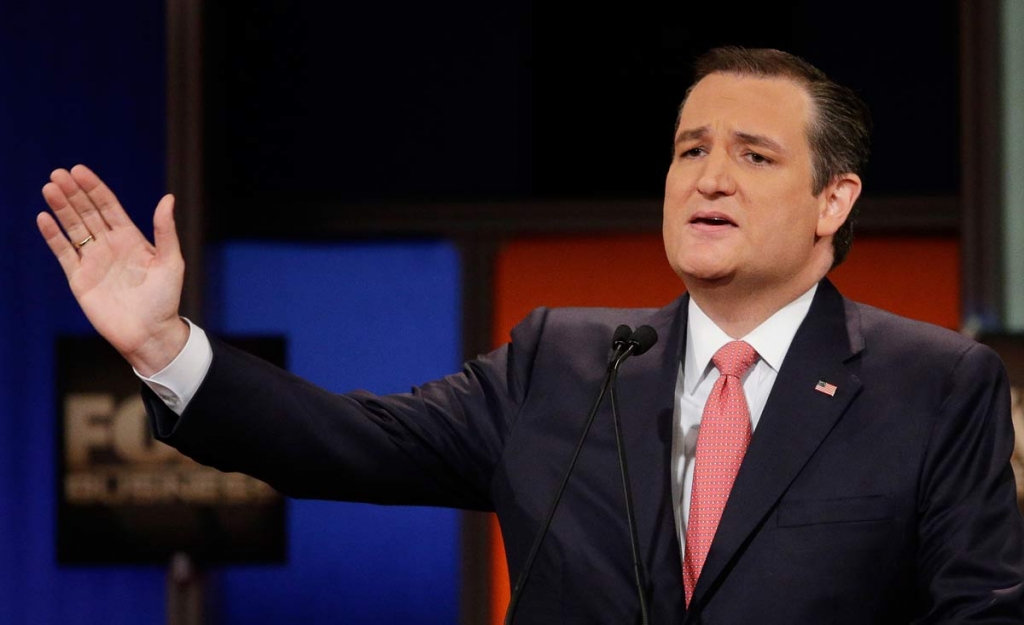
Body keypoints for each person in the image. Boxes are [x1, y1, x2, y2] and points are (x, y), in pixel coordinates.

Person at [38, 47, 1024, 623]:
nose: (706, 177)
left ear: (831, 199)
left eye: (752, 155)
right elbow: (345, 441)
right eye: (689, 150)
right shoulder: (563, 362)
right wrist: (164, 344)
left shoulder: (932, 384)